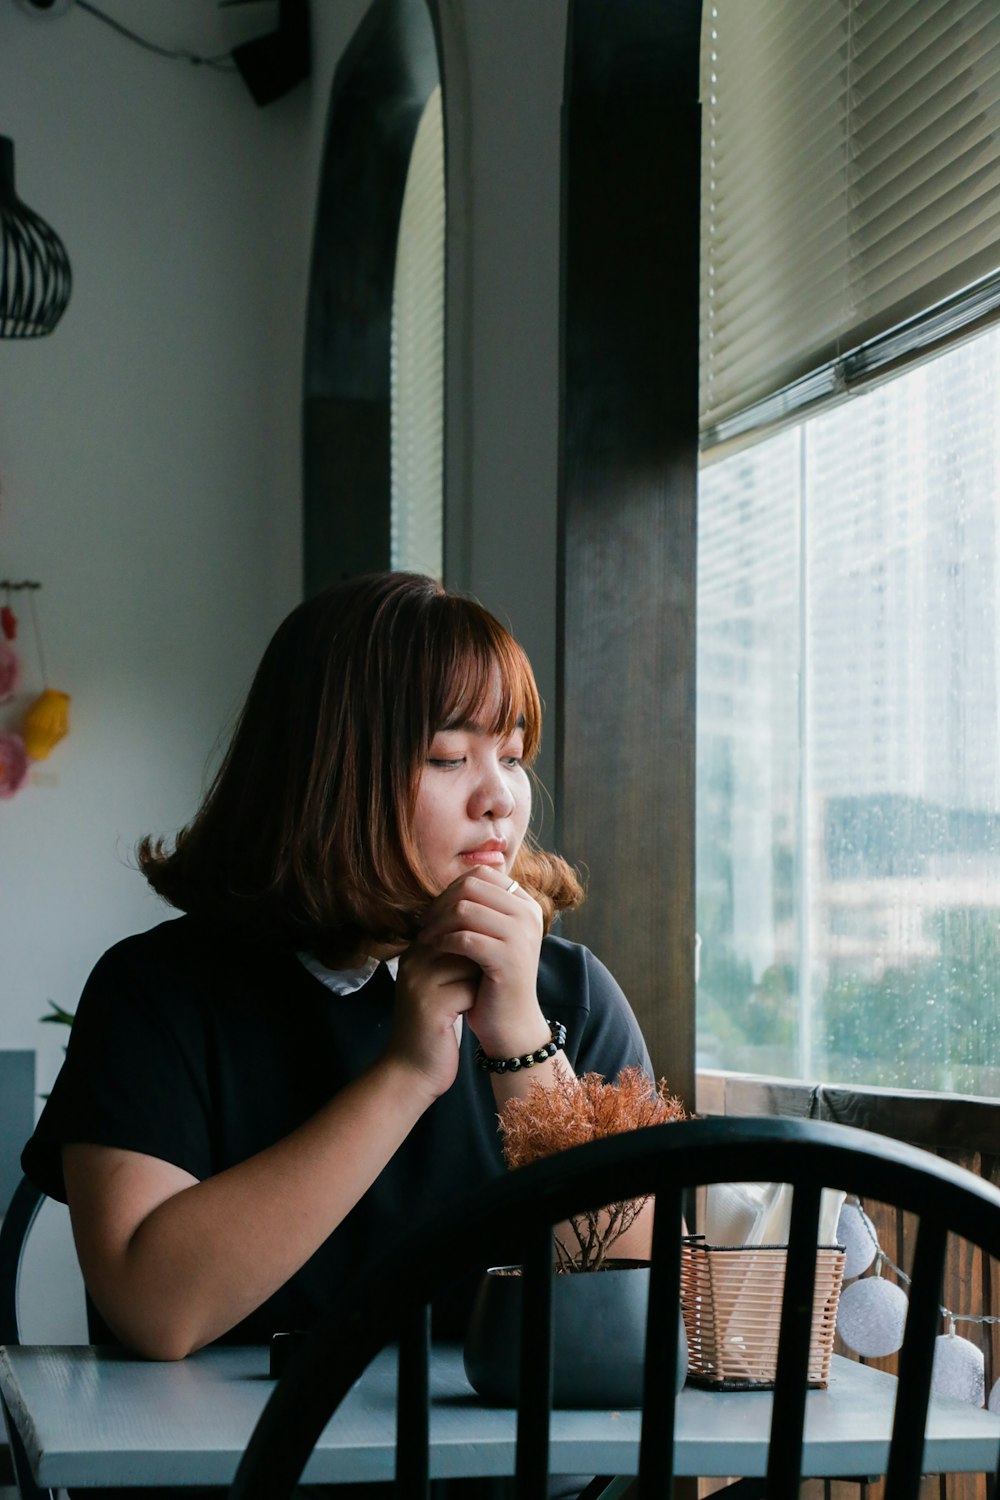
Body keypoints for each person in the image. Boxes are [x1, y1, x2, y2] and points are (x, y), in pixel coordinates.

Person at [23, 571, 653, 1377]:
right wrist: (405, 1074)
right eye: (448, 756)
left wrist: (521, 1040)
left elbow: (640, 1277)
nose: (500, 797)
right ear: (328, 774)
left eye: (514, 755)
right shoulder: (159, 992)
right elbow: (154, 1308)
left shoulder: (567, 993)